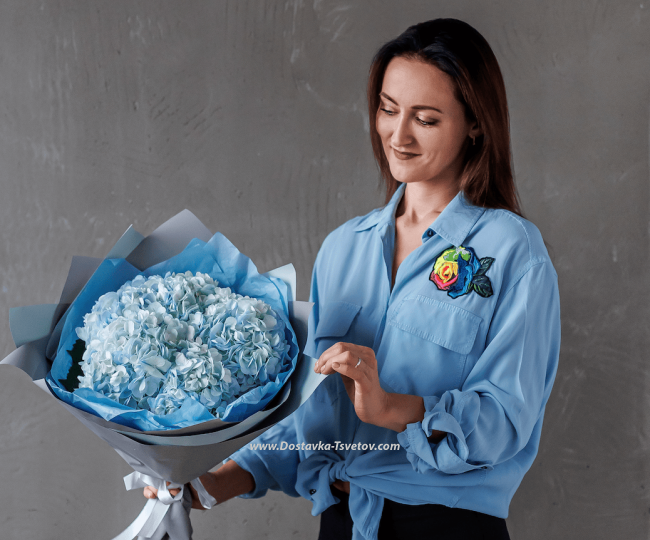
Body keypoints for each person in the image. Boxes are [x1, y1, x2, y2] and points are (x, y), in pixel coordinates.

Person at [144, 18, 560, 540]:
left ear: (475, 124)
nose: (398, 135)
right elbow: (310, 419)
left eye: (425, 119)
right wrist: (210, 480)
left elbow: (506, 419)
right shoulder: (344, 248)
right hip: (341, 522)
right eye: (388, 110)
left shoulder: (511, 250)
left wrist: (396, 410)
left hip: (446, 525)